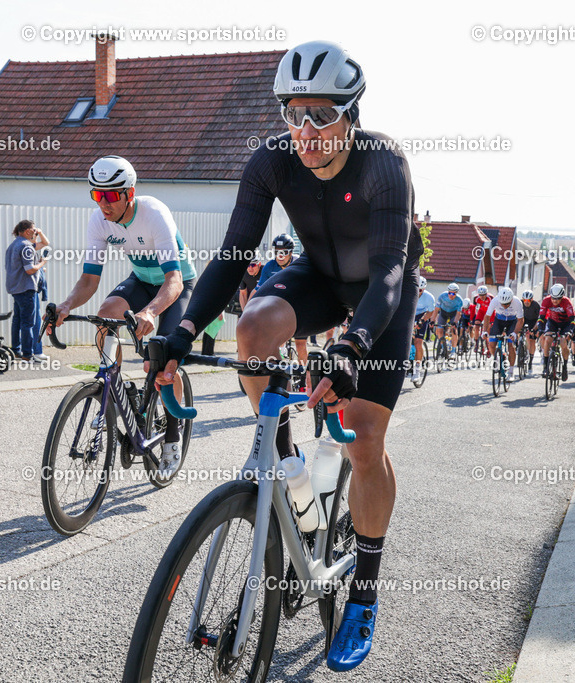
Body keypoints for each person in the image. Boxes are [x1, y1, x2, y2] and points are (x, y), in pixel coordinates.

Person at [151, 40, 420, 671]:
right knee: (252, 328)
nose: (305, 132)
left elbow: (387, 272)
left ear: (351, 114)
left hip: (383, 290)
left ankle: (364, 592)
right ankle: (286, 457)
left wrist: (351, 346)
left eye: (322, 116)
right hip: (321, 277)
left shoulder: (384, 163)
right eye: (293, 115)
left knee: (365, 440)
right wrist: (183, 331)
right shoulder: (271, 160)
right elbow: (231, 255)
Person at [54, 155, 197, 475]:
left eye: (110, 195)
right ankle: (112, 391)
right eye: (96, 194)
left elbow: (173, 280)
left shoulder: (155, 213)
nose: (103, 203)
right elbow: (89, 280)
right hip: (142, 282)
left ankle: (173, 438)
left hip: (176, 285)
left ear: (129, 193)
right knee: (105, 318)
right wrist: (66, 306)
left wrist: (149, 312)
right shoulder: (99, 221)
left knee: (163, 359)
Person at [257, 233, 308, 364]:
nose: (280, 256)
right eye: (277, 252)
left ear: (291, 252)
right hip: (278, 307)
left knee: (300, 345)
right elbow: (258, 291)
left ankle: (305, 380)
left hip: (299, 307)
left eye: (284, 252)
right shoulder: (269, 266)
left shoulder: (299, 264)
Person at [5, 220, 49, 362]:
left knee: (17, 320)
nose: (34, 231)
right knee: (28, 323)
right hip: (26, 288)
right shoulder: (26, 247)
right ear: (26, 231)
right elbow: (30, 269)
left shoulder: (13, 245)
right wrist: (42, 263)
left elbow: (44, 243)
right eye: (33, 229)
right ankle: (27, 354)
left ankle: (16, 350)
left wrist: (39, 234)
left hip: (15, 288)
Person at [482, 287, 524, 380]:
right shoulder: (495, 300)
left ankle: (511, 372)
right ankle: (497, 360)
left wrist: (514, 333)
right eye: (502, 304)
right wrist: (484, 331)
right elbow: (487, 317)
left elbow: (520, 320)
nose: (504, 306)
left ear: (511, 300)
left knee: (510, 345)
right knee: (492, 344)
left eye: (507, 304)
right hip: (499, 320)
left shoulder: (517, 302)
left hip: (512, 321)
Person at [538, 283, 575, 380]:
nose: (554, 301)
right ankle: (545, 367)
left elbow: (573, 321)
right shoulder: (546, 300)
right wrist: (541, 329)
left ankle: (565, 367)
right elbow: (541, 318)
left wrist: (570, 331)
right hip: (553, 322)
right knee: (547, 340)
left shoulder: (567, 302)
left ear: (562, 297)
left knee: (563, 343)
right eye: (553, 298)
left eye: (557, 298)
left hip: (565, 324)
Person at [412, 277, 436, 380]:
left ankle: (417, 370)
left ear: (424, 289)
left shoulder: (429, 298)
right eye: (416, 289)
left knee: (418, 343)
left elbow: (430, 312)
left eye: (420, 290)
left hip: (422, 316)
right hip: (410, 315)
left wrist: (422, 321)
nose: (417, 292)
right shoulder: (408, 293)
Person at [435, 283, 463, 355]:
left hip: (453, 314)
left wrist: (455, 322)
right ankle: (442, 347)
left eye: (453, 294)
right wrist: (432, 320)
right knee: (439, 330)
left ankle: (453, 351)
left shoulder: (459, 300)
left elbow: (458, 314)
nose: (451, 295)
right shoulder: (442, 296)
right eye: (450, 293)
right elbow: (436, 310)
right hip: (443, 313)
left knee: (454, 330)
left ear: (456, 293)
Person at [520, 289, 541, 372]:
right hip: (524, 320)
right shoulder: (520, 304)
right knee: (524, 336)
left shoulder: (536, 305)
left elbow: (539, 319)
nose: (526, 302)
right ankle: (521, 348)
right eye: (525, 300)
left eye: (528, 300)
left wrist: (534, 329)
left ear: (532, 300)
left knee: (532, 341)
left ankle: (531, 359)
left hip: (534, 322)